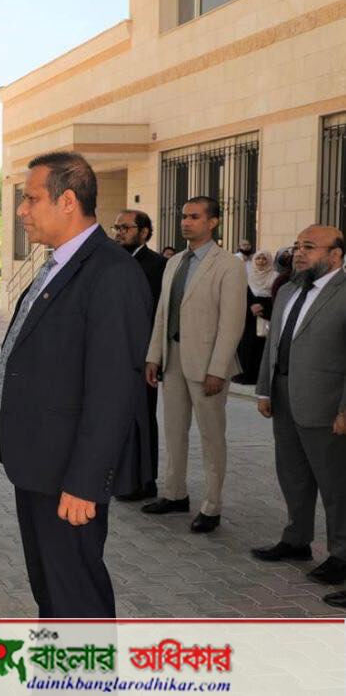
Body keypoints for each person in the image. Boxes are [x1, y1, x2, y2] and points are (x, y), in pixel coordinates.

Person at [0, 151, 151, 618]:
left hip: (69, 473)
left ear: (67, 201)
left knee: (75, 595)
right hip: (39, 463)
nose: (21, 210)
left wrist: (85, 482)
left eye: (31, 198)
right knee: (51, 589)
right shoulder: (59, 264)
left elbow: (113, 391)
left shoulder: (111, 272)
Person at [252, 226, 346, 605]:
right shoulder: (288, 290)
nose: (299, 253)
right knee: (292, 474)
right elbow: (273, 345)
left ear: (335, 255)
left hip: (327, 406)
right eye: (297, 246)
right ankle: (296, 539)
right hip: (284, 397)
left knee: (336, 485)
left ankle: (341, 555)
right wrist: (263, 389)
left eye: (309, 247)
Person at [143, 197, 247, 533]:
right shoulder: (174, 262)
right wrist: (154, 356)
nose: (186, 222)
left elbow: (232, 323)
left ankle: (212, 506)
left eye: (194, 217)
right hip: (172, 358)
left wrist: (218, 368)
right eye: (184, 216)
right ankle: (175, 494)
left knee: (211, 437)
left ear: (213, 222)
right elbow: (162, 312)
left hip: (208, 366)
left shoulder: (228, 265)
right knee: (174, 432)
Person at [111, 209, 167, 502]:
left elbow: (161, 314)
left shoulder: (158, 265)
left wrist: (154, 357)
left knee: (142, 418)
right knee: (118, 417)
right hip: (114, 355)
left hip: (143, 358)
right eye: (117, 227)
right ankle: (123, 476)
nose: (119, 233)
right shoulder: (111, 261)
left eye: (126, 228)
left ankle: (145, 481)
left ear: (144, 232)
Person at [234, 249, 274, 385]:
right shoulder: (247, 276)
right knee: (246, 347)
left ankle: (260, 378)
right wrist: (250, 308)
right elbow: (240, 297)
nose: (261, 261)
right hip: (248, 319)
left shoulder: (274, 277)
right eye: (258, 258)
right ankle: (244, 375)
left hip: (266, 318)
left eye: (264, 258)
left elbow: (278, 299)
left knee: (261, 348)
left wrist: (264, 308)